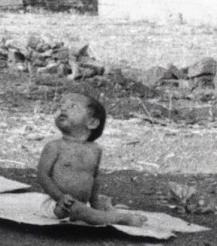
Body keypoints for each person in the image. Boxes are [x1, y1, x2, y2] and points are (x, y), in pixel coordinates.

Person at [36, 92, 148, 226]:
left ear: (92, 123)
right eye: (61, 107)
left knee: (84, 208)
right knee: (75, 209)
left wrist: (95, 203)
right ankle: (120, 218)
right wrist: (60, 198)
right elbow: (42, 175)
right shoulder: (54, 146)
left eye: (73, 107)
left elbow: (93, 179)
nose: (63, 109)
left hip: (81, 203)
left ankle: (99, 214)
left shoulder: (95, 150)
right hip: (55, 203)